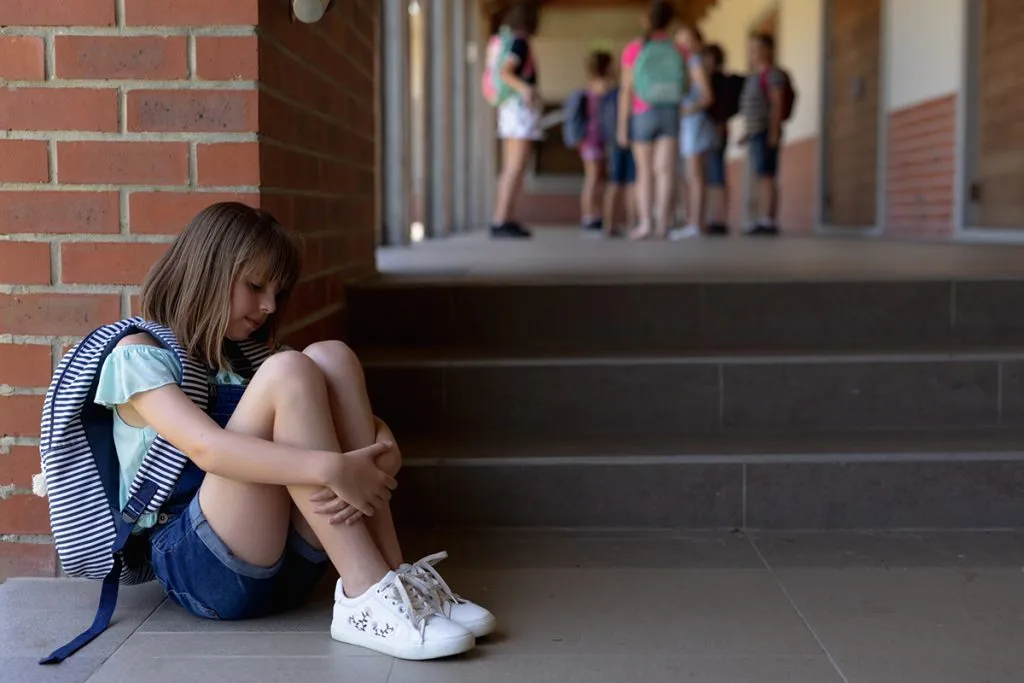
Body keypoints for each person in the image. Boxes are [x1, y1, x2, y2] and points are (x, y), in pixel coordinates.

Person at [57, 202, 494, 661]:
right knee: (290, 370)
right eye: (255, 286)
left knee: (331, 356)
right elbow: (208, 449)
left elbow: (332, 418)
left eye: (276, 292)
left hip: (291, 564)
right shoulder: (138, 354)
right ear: (207, 271)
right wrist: (334, 467)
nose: (268, 306)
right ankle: (365, 598)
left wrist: (380, 442)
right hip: (202, 568)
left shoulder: (246, 356)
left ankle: (396, 581)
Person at [617, 0, 686, 240]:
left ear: (645, 20)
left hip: (642, 112)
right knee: (665, 171)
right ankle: (663, 225)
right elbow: (685, 83)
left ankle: (645, 223)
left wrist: (622, 127)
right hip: (670, 110)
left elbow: (626, 89)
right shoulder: (678, 48)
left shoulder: (634, 48)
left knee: (644, 171)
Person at [490, 3, 542, 239]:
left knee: (510, 167)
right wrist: (527, 90)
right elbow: (505, 72)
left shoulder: (506, 40)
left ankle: (503, 217)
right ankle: (502, 219)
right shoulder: (520, 42)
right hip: (519, 110)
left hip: (508, 108)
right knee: (516, 166)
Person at [740, 32, 789, 235]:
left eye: (757, 48)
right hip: (753, 133)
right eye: (751, 49)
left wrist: (774, 131)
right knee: (758, 176)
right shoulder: (753, 77)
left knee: (767, 175)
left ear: (768, 50)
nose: (752, 53)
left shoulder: (773, 74)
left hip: (766, 131)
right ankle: (759, 218)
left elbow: (777, 104)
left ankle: (768, 219)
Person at [670, 25, 715, 240]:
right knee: (690, 175)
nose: (683, 45)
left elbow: (707, 97)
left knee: (695, 175)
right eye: (680, 41)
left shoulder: (695, 62)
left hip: (694, 122)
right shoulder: (684, 64)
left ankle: (696, 223)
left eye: (688, 40)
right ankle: (692, 221)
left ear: (697, 43)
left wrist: (685, 110)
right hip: (688, 124)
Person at [702, 42, 743, 235]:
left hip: (716, 131)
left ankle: (720, 218)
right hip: (701, 133)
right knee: (707, 177)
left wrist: (721, 124)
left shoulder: (721, 82)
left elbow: (724, 109)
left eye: (709, 58)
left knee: (717, 175)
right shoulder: (703, 80)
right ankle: (709, 217)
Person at [577, 50, 615, 234]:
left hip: (590, 137)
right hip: (595, 137)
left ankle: (593, 213)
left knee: (596, 177)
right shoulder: (604, 85)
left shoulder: (590, 84)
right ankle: (590, 215)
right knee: (593, 177)